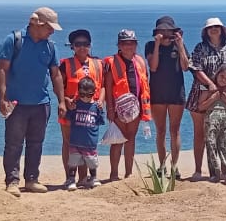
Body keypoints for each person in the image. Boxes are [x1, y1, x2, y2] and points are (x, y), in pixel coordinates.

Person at [0, 7, 65, 196]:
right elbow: (2, 69)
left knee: (36, 143)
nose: (51, 32)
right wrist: (2, 98)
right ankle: (12, 181)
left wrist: (61, 101)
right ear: (37, 24)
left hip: (41, 103)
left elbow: (56, 75)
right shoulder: (14, 40)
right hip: (16, 103)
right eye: (49, 28)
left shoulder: (50, 47)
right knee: (13, 143)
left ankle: (32, 179)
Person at [186, 17, 226, 181]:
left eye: (217, 27)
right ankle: (198, 170)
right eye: (211, 27)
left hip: (224, 97)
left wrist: (224, 88)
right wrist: (211, 85)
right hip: (202, 93)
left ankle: (224, 170)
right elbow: (195, 68)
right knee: (200, 134)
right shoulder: (200, 48)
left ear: (222, 30)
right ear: (205, 31)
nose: (214, 29)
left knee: (223, 135)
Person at [57, 28, 105, 190]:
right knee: (69, 143)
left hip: (90, 111)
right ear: (72, 47)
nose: (82, 47)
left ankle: (84, 178)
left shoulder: (98, 63)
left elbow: (103, 85)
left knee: (86, 143)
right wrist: (65, 100)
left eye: (86, 44)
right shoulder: (66, 64)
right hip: (71, 110)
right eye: (78, 44)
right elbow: (58, 86)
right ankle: (69, 178)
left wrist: (101, 101)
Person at [103, 29, 151, 181]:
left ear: (136, 44)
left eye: (131, 43)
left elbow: (145, 83)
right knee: (117, 141)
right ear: (119, 45)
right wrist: (110, 109)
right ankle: (114, 174)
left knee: (131, 139)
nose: (128, 46)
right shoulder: (112, 62)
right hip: (118, 109)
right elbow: (108, 86)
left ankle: (129, 173)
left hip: (135, 109)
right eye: (125, 43)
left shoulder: (141, 61)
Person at [144, 16, 189, 176]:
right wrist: (157, 44)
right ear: (157, 32)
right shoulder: (150, 45)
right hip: (157, 92)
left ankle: (174, 165)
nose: (165, 33)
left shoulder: (179, 46)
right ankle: (162, 165)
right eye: (162, 30)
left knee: (175, 130)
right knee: (161, 130)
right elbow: (153, 67)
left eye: (168, 30)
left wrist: (180, 45)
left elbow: (185, 67)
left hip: (176, 92)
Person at [199, 65, 226, 183]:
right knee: (211, 146)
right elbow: (200, 106)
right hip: (210, 123)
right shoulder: (208, 89)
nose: (223, 80)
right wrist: (213, 98)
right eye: (221, 76)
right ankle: (214, 173)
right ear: (217, 75)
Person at [65, 76, 106, 189]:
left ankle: (93, 178)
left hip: (90, 143)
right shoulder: (76, 104)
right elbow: (69, 117)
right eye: (82, 95)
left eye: (89, 95)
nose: (85, 98)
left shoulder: (96, 107)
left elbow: (102, 121)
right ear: (78, 92)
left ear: (94, 93)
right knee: (73, 162)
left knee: (92, 162)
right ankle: (71, 179)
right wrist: (71, 108)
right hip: (75, 141)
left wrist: (101, 108)